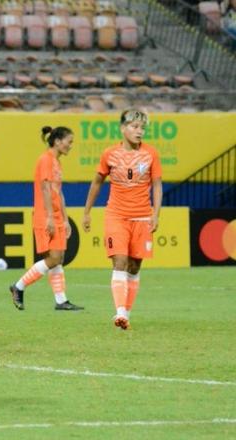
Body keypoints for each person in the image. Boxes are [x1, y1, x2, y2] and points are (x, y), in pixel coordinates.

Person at [82, 109, 162, 330]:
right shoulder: (109, 154)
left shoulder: (151, 154)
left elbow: (156, 184)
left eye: (142, 128)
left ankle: (126, 313)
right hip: (116, 215)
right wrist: (87, 211)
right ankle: (119, 312)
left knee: (135, 266)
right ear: (123, 128)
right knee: (119, 261)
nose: (140, 131)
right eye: (135, 127)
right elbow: (97, 182)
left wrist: (156, 213)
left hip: (143, 216)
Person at [9, 126, 83, 312]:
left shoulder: (56, 162)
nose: (71, 146)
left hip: (56, 216)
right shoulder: (45, 160)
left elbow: (59, 192)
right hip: (45, 216)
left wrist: (65, 219)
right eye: (69, 141)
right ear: (58, 141)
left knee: (57, 258)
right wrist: (50, 217)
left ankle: (61, 300)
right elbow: (45, 189)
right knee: (54, 258)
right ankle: (18, 286)